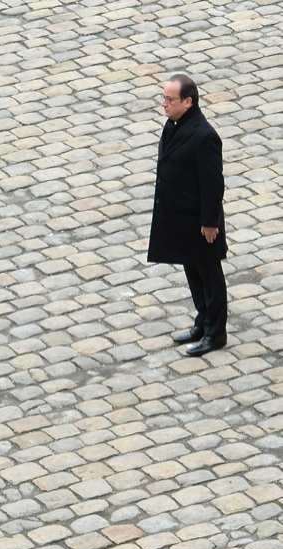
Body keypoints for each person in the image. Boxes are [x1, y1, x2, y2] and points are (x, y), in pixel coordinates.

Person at [148, 73, 228, 357]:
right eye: (164, 98)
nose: (164, 103)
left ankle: (215, 333)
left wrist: (210, 222)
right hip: (181, 219)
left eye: (169, 99)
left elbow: (212, 183)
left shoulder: (204, 136)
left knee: (210, 276)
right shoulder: (174, 125)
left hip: (201, 222)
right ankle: (202, 322)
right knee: (193, 271)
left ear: (188, 102)